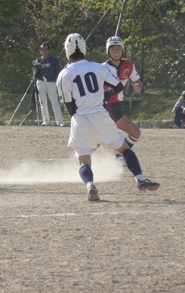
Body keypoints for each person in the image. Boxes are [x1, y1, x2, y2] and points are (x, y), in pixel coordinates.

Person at [56, 33, 160, 202]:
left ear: (67, 51)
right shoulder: (99, 67)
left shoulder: (63, 75)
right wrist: (104, 96)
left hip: (80, 119)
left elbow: (69, 106)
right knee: (125, 149)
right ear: (84, 49)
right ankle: (140, 179)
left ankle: (90, 186)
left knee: (83, 162)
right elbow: (118, 86)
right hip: (101, 115)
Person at [102, 36, 142, 148]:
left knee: (103, 137)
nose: (116, 51)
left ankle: (82, 156)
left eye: (118, 48)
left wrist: (138, 86)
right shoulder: (102, 68)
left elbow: (137, 82)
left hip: (118, 105)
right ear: (108, 51)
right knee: (135, 133)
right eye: (112, 48)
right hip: (108, 106)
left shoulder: (128, 65)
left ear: (123, 50)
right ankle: (120, 157)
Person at [33, 42, 65, 127]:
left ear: (48, 50)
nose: (44, 51)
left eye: (46, 49)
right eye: (42, 49)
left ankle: (60, 121)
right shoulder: (38, 60)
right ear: (40, 51)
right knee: (43, 102)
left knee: (54, 102)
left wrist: (58, 82)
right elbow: (35, 74)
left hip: (51, 82)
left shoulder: (54, 60)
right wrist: (35, 71)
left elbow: (58, 71)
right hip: (41, 82)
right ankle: (45, 121)